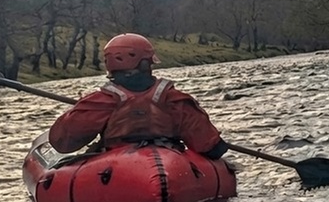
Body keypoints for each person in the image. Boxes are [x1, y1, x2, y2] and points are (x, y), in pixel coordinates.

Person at [48, 33, 229, 158]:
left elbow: (62, 143)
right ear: (144, 63)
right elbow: (212, 148)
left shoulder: (99, 102)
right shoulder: (174, 99)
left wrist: (79, 110)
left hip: (116, 168)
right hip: (169, 162)